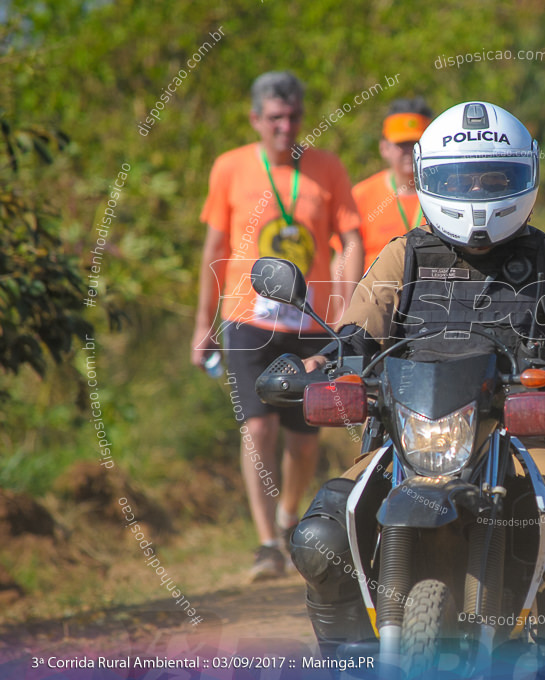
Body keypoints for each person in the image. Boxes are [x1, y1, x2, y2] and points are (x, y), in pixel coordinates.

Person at [285, 102, 545, 662]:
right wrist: (315, 368)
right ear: (431, 178)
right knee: (320, 538)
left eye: (494, 178)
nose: (477, 193)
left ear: (524, 175)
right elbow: (356, 332)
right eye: (461, 179)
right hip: (402, 439)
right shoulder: (402, 256)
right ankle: (349, 660)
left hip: (522, 445)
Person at [190, 70, 364, 580]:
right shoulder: (230, 168)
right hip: (245, 316)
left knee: (305, 438)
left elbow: (350, 237)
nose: (285, 128)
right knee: (258, 426)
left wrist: (347, 308)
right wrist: (203, 324)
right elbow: (214, 249)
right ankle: (266, 543)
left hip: (308, 318)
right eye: (274, 119)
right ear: (255, 120)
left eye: (293, 117)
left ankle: (290, 518)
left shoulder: (327, 169)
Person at [347, 97, 434, 273]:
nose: (409, 152)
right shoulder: (362, 195)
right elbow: (345, 259)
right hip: (377, 297)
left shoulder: (446, 194)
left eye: (416, 143)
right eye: (401, 144)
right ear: (384, 148)